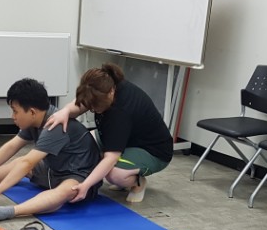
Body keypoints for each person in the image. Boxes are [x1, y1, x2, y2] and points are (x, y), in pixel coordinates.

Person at [0, 78, 101, 227]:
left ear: (32, 112)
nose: (13, 117)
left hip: (80, 177)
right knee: (19, 162)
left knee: (65, 190)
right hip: (54, 169)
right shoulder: (36, 119)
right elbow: (12, 146)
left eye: (15, 111)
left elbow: (28, 163)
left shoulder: (54, 126)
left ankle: (11, 211)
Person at [45, 63, 173, 204]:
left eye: (97, 107)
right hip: (126, 137)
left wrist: (85, 185)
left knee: (114, 174)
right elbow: (80, 104)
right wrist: (65, 111)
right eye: (91, 107)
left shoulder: (119, 113)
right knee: (82, 143)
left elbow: (111, 158)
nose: (94, 110)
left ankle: (137, 183)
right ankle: (125, 171)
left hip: (153, 150)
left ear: (111, 93)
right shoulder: (104, 85)